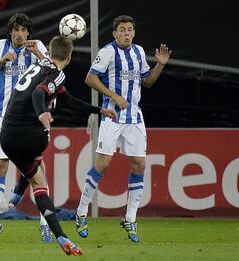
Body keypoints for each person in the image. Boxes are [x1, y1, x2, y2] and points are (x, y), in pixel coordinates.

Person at [0, 35, 116, 256]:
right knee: (41, 158)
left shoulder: (39, 65)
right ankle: (60, 234)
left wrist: (99, 111)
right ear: (70, 57)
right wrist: (42, 112)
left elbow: (69, 100)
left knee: (34, 172)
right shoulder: (58, 74)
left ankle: (17, 195)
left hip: (6, 137)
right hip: (29, 135)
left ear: (50, 52)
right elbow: (38, 93)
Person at [75, 15, 172, 243]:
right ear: (115, 34)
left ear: (133, 33)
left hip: (134, 117)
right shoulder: (108, 52)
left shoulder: (139, 52)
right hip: (112, 115)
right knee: (103, 163)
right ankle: (80, 213)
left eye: (130, 29)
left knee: (139, 164)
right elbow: (90, 78)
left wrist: (161, 64)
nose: (127, 33)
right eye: (122, 29)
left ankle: (130, 218)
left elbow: (147, 82)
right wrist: (113, 96)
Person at [0, 13, 52, 242]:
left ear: (28, 33)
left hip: (30, 118)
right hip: (3, 117)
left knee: (36, 170)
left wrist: (39, 55)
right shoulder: (0, 47)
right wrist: (2, 62)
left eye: (24, 30)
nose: (20, 34)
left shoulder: (37, 47)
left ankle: (45, 223)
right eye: (16, 30)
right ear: (10, 32)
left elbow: (53, 73)